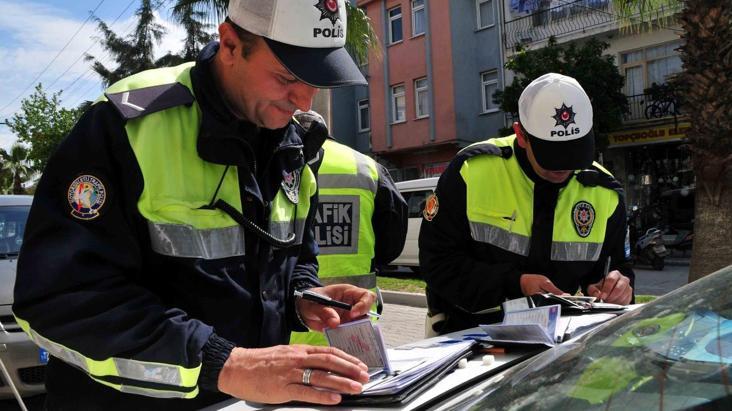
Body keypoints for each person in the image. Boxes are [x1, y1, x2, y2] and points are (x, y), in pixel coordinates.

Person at [12, 0, 378, 409]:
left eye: (316, 81)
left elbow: (292, 258)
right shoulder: (128, 125)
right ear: (230, 44)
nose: (305, 101)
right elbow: (59, 299)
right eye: (287, 76)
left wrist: (303, 297)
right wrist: (226, 364)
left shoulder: (292, 144)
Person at [419, 73, 635, 335]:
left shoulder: (604, 191)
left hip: (558, 340)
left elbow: (616, 270)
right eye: (553, 155)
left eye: (575, 152)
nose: (565, 167)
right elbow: (437, 263)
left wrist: (616, 287)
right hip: (468, 333)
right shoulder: (471, 171)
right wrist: (516, 283)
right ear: (521, 134)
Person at [289, 110, 408, 346]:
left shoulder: (271, 163)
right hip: (351, 327)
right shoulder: (367, 167)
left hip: (285, 334)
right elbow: (391, 245)